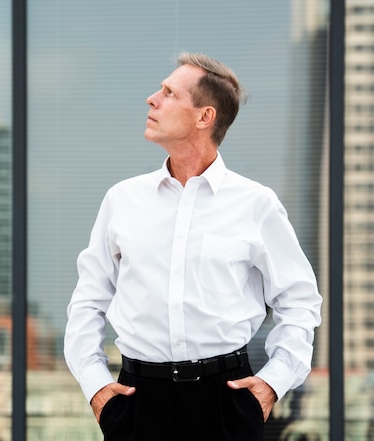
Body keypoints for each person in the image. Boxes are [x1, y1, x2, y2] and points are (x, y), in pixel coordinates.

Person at [63, 52, 322, 441]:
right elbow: (87, 301)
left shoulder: (256, 204)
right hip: (137, 401)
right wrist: (97, 387)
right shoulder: (122, 200)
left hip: (226, 402)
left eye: (169, 93)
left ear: (205, 117)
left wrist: (271, 384)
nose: (152, 99)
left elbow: (299, 301)